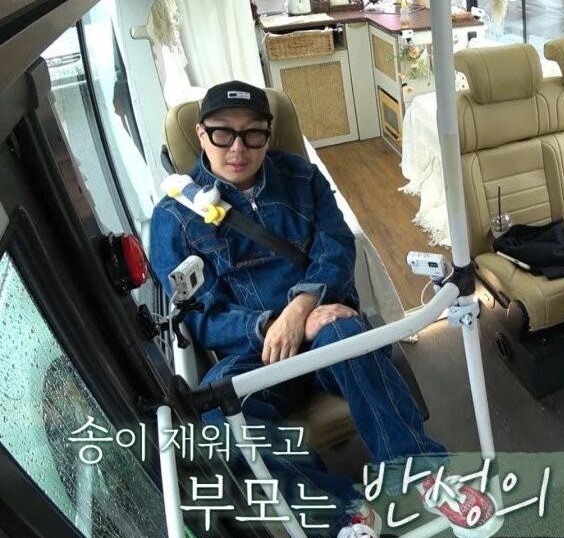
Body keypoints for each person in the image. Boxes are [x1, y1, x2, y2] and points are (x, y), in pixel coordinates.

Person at [150, 81, 496, 538]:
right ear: (201, 134)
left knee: (347, 335)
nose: (238, 148)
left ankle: (423, 473)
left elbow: (336, 247)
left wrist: (300, 310)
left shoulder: (301, 177)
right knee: (218, 421)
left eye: (253, 134)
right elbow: (200, 316)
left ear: (268, 135)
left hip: (322, 321)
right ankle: (341, 514)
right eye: (223, 133)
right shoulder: (173, 218)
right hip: (253, 351)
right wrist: (270, 327)